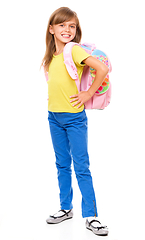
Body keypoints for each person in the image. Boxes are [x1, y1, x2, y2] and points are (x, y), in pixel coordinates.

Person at [41, 7, 109, 236]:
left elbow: (102, 68)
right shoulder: (51, 57)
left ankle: (91, 216)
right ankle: (65, 208)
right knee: (62, 165)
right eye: (62, 25)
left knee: (81, 166)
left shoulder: (74, 50)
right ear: (51, 29)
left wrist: (88, 93)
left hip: (73, 118)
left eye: (72, 26)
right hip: (53, 117)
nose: (67, 29)